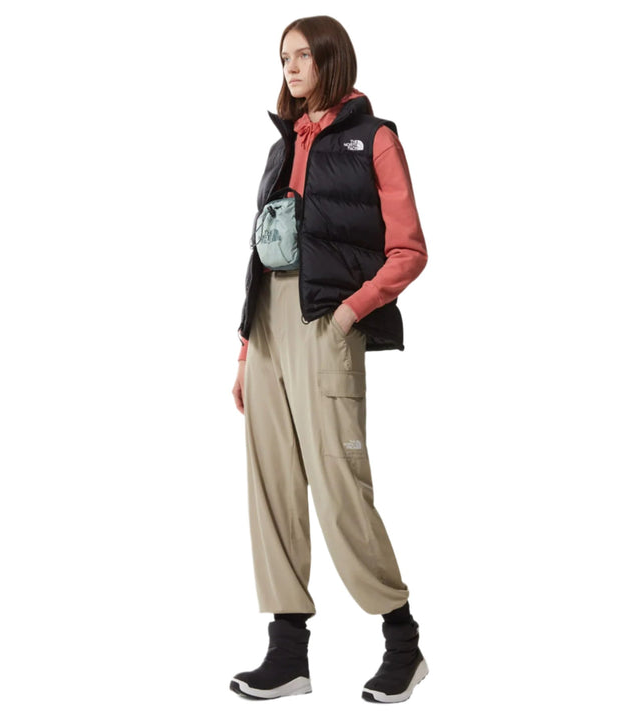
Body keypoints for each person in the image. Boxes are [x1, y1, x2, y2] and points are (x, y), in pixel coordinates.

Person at [230, 15, 429, 704]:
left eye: (303, 56)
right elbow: (262, 252)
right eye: (283, 57)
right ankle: (288, 654)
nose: (290, 68)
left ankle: (403, 643)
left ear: (331, 59)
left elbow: (409, 250)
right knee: (272, 485)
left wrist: (349, 313)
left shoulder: (374, 138)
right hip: (268, 326)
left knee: (340, 485)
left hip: (326, 323)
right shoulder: (281, 144)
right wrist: (247, 348)